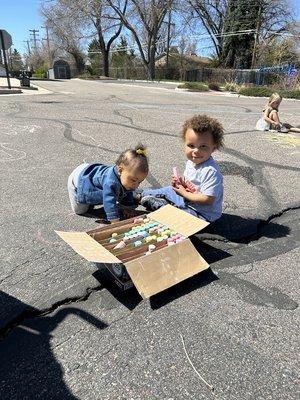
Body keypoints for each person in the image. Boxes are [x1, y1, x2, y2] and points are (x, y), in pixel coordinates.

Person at [136, 114, 224, 222]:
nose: (196, 151)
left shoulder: (210, 171)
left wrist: (184, 193)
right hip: (187, 199)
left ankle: (163, 207)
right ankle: (138, 194)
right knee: (169, 190)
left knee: (181, 218)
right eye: (191, 145)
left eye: (203, 146)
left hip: (202, 214)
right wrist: (182, 184)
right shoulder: (191, 162)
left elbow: (208, 199)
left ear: (213, 148)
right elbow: (191, 186)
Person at [68, 145, 148, 223]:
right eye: (134, 180)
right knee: (80, 211)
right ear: (120, 170)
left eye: (139, 182)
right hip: (79, 179)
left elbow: (128, 191)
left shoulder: (126, 178)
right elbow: (108, 201)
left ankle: (133, 196)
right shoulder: (110, 182)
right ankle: (134, 196)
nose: (136, 185)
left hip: (91, 171)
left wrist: (128, 208)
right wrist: (114, 221)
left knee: (125, 189)